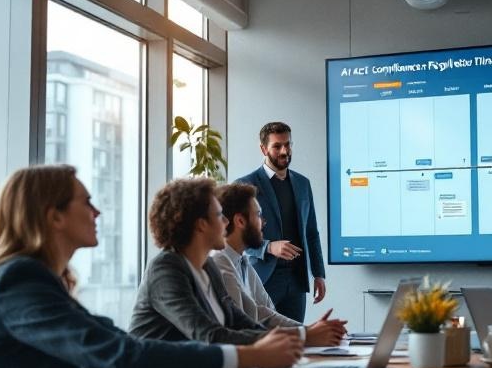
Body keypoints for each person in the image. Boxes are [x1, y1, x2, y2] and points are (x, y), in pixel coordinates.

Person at [0, 166, 301, 368]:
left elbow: (114, 342)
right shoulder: (20, 280)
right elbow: (122, 354)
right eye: (86, 202)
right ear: (54, 217)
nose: (97, 211)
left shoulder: (40, 280)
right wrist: (250, 356)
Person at [130, 177, 301, 346]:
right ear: (201, 225)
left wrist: (300, 336)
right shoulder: (165, 270)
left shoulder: (208, 266)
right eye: (220, 215)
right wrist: (292, 339)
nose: (226, 222)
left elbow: (239, 321)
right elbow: (208, 334)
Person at [213, 182, 347, 346]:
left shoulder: (242, 261)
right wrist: (307, 334)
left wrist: (310, 330)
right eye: (258, 215)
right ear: (240, 221)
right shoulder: (220, 262)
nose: (263, 222)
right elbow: (241, 326)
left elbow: (265, 310)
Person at [236, 122, 325, 322]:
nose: (284, 151)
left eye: (288, 144)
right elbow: (235, 236)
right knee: (262, 341)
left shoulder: (303, 183)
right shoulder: (245, 185)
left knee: (295, 343)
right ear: (263, 148)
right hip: (263, 279)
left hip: (296, 281)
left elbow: (312, 233)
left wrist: (318, 274)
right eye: (277, 146)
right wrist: (268, 247)